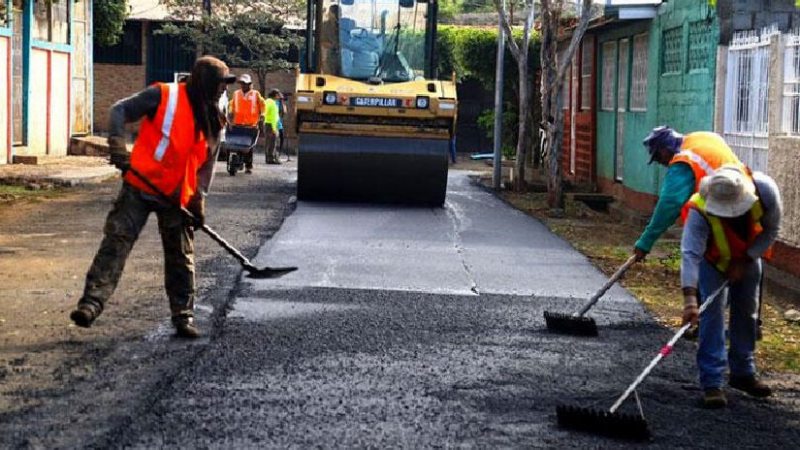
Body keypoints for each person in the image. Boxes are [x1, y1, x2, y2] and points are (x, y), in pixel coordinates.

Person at [69, 56, 237, 339]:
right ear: (204, 81)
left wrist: (199, 201)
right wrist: (117, 146)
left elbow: (206, 164)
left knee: (181, 257)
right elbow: (118, 110)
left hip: (176, 196)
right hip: (140, 186)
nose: (223, 89)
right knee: (116, 242)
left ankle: (183, 316)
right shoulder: (164, 95)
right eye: (220, 83)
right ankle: (91, 303)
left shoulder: (214, 118)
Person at [680, 164, 781, 409]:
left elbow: (771, 230)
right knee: (712, 315)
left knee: (747, 313)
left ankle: (743, 373)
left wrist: (745, 259)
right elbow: (690, 254)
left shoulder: (765, 191)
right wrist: (691, 301)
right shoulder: (699, 209)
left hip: (748, 257)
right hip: (712, 262)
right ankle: (712, 382)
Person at [633, 127, 744, 262]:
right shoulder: (704, 137)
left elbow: (669, 205)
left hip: (724, 220)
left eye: (657, 157)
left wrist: (645, 242)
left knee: (702, 263)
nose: (661, 163)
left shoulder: (683, 162)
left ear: (665, 150)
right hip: (746, 209)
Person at [228, 74, 266, 174]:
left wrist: (262, 115)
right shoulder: (236, 93)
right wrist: (230, 111)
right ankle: (238, 162)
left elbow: (262, 105)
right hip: (238, 123)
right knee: (238, 144)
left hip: (251, 125)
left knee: (248, 147)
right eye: (242, 84)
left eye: (245, 84)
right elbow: (231, 104)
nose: (243, 86)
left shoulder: (255, 94)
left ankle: (248, 165)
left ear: (250, 84)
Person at [320, 4, 341, 75]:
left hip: (341, 53)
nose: (328, 14)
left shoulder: (343, 25)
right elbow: (322, 41)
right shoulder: (324, 25)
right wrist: (332, 46)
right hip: (328, 52)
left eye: (329, 12)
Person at [264, 89, 282, 164]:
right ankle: (270, 158)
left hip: (268, 124)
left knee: (269, 142)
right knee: (272, 142)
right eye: (278, 95)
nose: (279, 96)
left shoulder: (268, 102)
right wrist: (274, 129)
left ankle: (269, 157)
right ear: (275, 95)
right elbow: (273, 117)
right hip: (271, 125)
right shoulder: (272, 103)